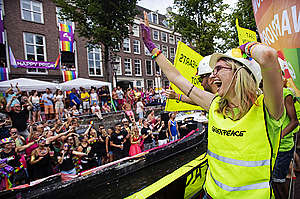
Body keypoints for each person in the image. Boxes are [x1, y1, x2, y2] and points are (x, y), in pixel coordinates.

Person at [141, 12, 284, 199]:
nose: (211, 76)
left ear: (239, 73)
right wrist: (152, 47)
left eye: (218, 69)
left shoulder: (267, 109)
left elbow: (267, 56)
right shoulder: (215, 104)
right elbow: (176, 77)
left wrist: (245, 47)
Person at [272, 78, 299, 199]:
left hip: (283, 147)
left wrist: (278, 136)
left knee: (278, 181)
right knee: (272, 182)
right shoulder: (263, 93)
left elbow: (294, 122)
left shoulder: (284, 93)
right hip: (270, 146)